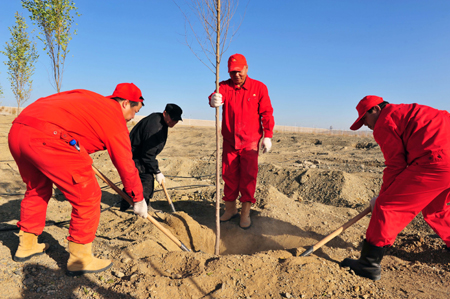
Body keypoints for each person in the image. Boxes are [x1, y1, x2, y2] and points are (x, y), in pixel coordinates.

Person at [8, 83, 149, 276]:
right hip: (49, 137)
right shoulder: (113, 115)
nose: (134, 117)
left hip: (19, 131)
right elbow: (125, 163)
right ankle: (80, 259)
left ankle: (27, 244)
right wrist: (138, 198)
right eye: (135, 110)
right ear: (125, 103)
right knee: (87, 196)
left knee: (36, 188)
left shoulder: (90, 99)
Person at [341, 95, 450, 281]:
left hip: (437, 161)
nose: (365, 125)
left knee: (387, 207)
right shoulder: (408, 112)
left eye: (364, 119)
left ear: (375, 109)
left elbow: (396, 165)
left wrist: (383, 197)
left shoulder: (385, 121)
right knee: (435, 210)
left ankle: (368, 264)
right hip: (443, 158)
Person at [208, 53, 275, 229]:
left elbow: (266, 113)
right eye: (232, 72)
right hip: (230, 142)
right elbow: (213, 96)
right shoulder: (224, 86)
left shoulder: (259, 87)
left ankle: (245, 213)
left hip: (250, 143)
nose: (236, 75)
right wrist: (213, 100)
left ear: (246, 68)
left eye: (239, 71)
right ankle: (230, 210)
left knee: (248, 177)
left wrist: (267, 135)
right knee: (229, 175)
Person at [119, 103, 183, 211]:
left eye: (176, 120)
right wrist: (157, 171)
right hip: (134, 155)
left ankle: (132, 205)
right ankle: (135, 206)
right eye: (172, 119)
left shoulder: (160, 121)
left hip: (138, 154)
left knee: (138, 179)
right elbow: (148, 154)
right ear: (165, 113)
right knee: (145, 179)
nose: (174, 122)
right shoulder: (155, 127)